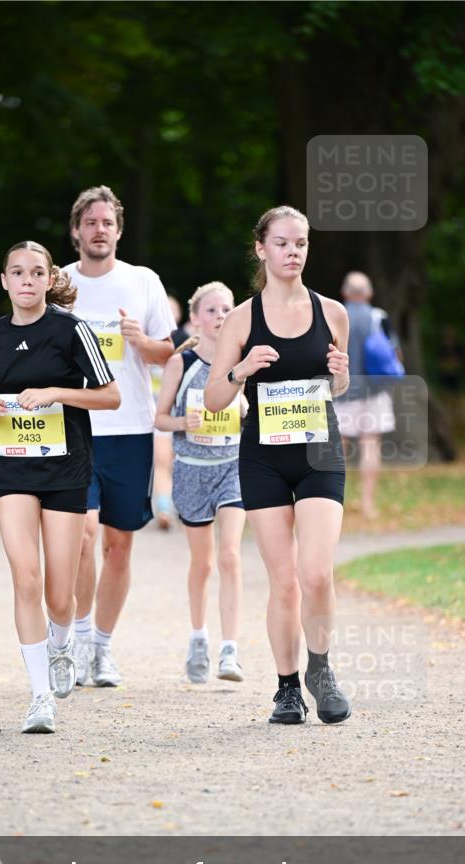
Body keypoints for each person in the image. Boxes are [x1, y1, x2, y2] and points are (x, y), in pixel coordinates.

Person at [204, 205, 351, 726]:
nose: (293, 252)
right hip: (264, 458)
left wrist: (341, 372)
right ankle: (287, 688)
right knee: (284, 580)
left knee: (317, 573)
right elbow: (214, 399)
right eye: (283, 243)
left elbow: (338, 386)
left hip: (319, 453)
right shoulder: (242, 319)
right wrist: (240, 370)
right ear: (261, 249)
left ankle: (320, 670)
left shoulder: (333, 313)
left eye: (301, 243)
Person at [0, 241, 120, 734]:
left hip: (65, 471)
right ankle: (40, 697)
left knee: (60, 596)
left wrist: (57, 392)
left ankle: (62, 644)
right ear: (4, 281)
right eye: (18, 272)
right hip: (12, 469)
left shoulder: (71, 329)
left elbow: (112, 396)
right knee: (26, 579)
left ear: (49, 278)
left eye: (37, 272)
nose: (27, 280)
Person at [62, 185, 175, 687]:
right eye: (90, 222)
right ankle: (80, 637)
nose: (99, 230)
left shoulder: (142, 281)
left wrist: (141, 340)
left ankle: (103, 648)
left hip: (130, 429)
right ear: (76, 231)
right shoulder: (59, 284)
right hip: (77, 428)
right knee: (82, 538)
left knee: (118, 546)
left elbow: (167, 353)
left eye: (107, 222)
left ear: (119, 230)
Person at [155, 281, 246, 682]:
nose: (219, 316)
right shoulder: (182, 362)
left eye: (226, 309)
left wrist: (244, 407)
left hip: (232, 467)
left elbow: (252, 410)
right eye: (211, 310)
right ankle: (198, 638)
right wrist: (182, 422)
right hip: (192, 471)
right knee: (203, 562)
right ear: (195, 318)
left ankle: (230, 651)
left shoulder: (241, 361)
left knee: (230, 556)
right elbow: (159, 419)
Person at [333, 271, 397, 519]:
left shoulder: (334, 316)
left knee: (338, 449)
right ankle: (368, 504)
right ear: (369, 293)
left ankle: (336, 502)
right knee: (370, 444)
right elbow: (394, 353)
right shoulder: (379, 317)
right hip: (375, 391)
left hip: (342, 391)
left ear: (345, 292)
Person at [152, 295, 194, 530]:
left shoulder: (189, 344)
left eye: (172, 309)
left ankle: (182, 504)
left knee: (179, 463)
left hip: (184, 414)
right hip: (155, 413)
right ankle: (164, 508)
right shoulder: (145, 341)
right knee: (162, 462)